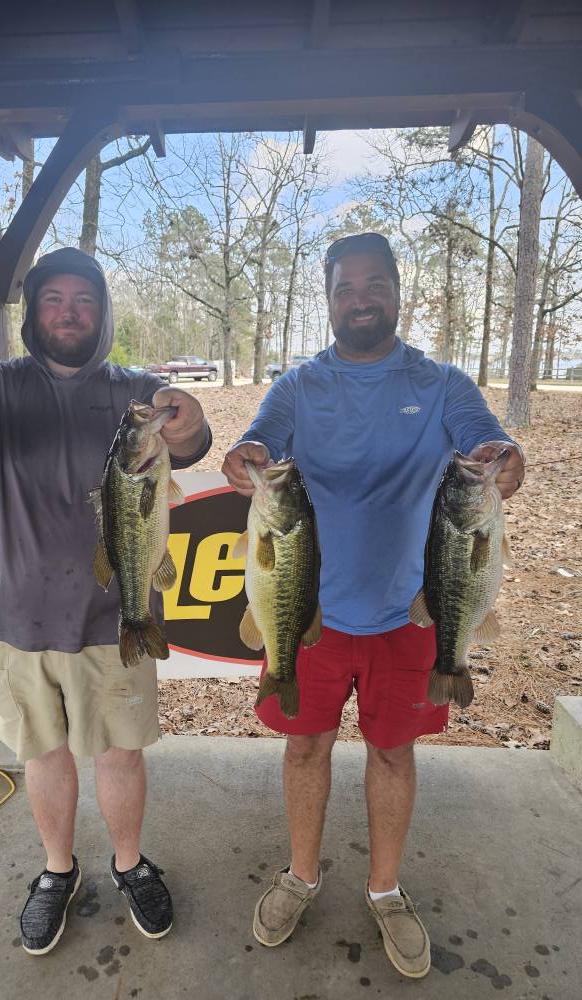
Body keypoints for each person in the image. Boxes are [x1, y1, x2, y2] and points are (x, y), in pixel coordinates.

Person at [0, 247, 211, 955]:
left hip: (113, 617)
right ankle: (57, 871)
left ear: (101, 313)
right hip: (9, 615)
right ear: (33, 313)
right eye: (54, 298)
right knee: (45, 755)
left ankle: (129, 863)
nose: (69, 312)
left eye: (85, 300)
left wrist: (188, 421)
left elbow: (191, 439)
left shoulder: (135, 393)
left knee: (120, 754)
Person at [221, 232, 524, 979]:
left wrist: (504, 462)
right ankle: (301, 875)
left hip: (410, 614)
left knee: (393, 752)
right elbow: (258, 443)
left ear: (396, 290)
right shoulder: (297, 387)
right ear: (328, 300)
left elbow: (491, 447)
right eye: (345, 288)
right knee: (304, 748)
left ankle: (385, 889)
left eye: (374, 284)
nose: (361, 299)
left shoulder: (442, 383)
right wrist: (244, 457)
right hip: (307, 613)